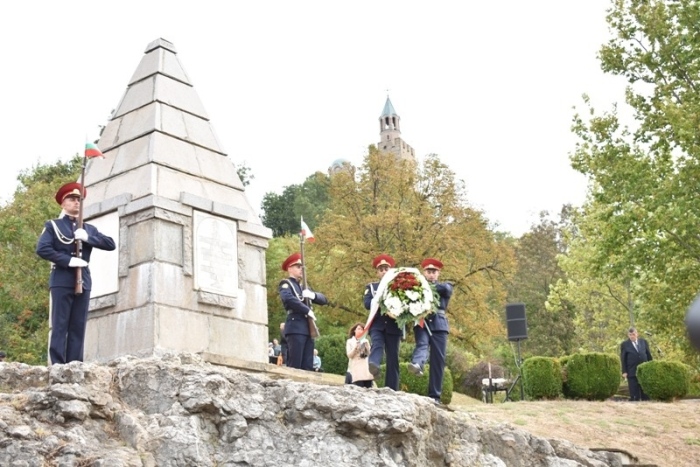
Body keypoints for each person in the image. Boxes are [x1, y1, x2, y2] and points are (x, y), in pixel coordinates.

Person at [36, 182, 116, 365]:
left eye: (79, 200)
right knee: (60, 324)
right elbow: (42, 249)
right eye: (72, 199)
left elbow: (110, 244)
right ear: (63, 203)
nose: (76, 203)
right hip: (62, 279)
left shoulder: (88, 229)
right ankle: (57, 364)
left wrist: (88, 238)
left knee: (78, 325)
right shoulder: (53, 226)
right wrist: (68, 261)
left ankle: (74, 364)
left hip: (83, 281)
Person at [408, 258, 453, 405]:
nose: (431, 274)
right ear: (424, 272)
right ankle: (417, 364)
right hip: (422, 321)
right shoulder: (417, 287)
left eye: (434, 272)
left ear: (438, 273)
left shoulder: (445, 286)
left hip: (439, 324)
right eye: (428, 271)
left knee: (437, 360)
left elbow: (446, 290)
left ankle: (435, 396)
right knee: (422, 344)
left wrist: (426, 286)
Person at [278, 252, 327, 371]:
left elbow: (324, 300)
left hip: (307, 329)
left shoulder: (304, 287)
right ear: (290, 268)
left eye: (302, 267)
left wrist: (312, 295)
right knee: (295, 365)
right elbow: (288, 299)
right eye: (298, 267)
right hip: (295, 327)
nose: (301, 270)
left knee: (307, 366)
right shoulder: (286, 284)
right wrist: (307, 310)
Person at [363, 254, 402, 390]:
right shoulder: (372, 287)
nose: (384, 271)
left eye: (386, 269)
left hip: (394, 326)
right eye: (381, 269)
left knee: (393, 357)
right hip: (377, 324)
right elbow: (367, 304)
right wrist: (378, 301)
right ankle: (373, 364)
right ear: (377, 272)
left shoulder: (400, 286)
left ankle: (392, 388)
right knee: (377, 344)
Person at [621, 327, 653, 401]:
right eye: (630, 335)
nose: (632, 336)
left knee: (645, 390)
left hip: (644, 370)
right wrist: (624, 371)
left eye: (633, 334)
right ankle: (635, 403)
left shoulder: (643, 342)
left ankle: (646, 403)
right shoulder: (625, 344)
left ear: (637, 334)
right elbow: (623, 358)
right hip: (631, 370)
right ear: (628, 335)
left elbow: (648, 355)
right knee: (634, 391)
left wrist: (651, 366)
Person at [346, 323, 374, 388]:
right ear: (354, 330)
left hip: (365, 369)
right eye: (358, 329)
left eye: (362, 329)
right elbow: (349, 355)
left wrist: (367, 346)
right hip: (355, 369)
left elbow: (370, 354)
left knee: (368, 389)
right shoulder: (350, 341)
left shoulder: (365, 341)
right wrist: (355, 347)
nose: (360, 331)